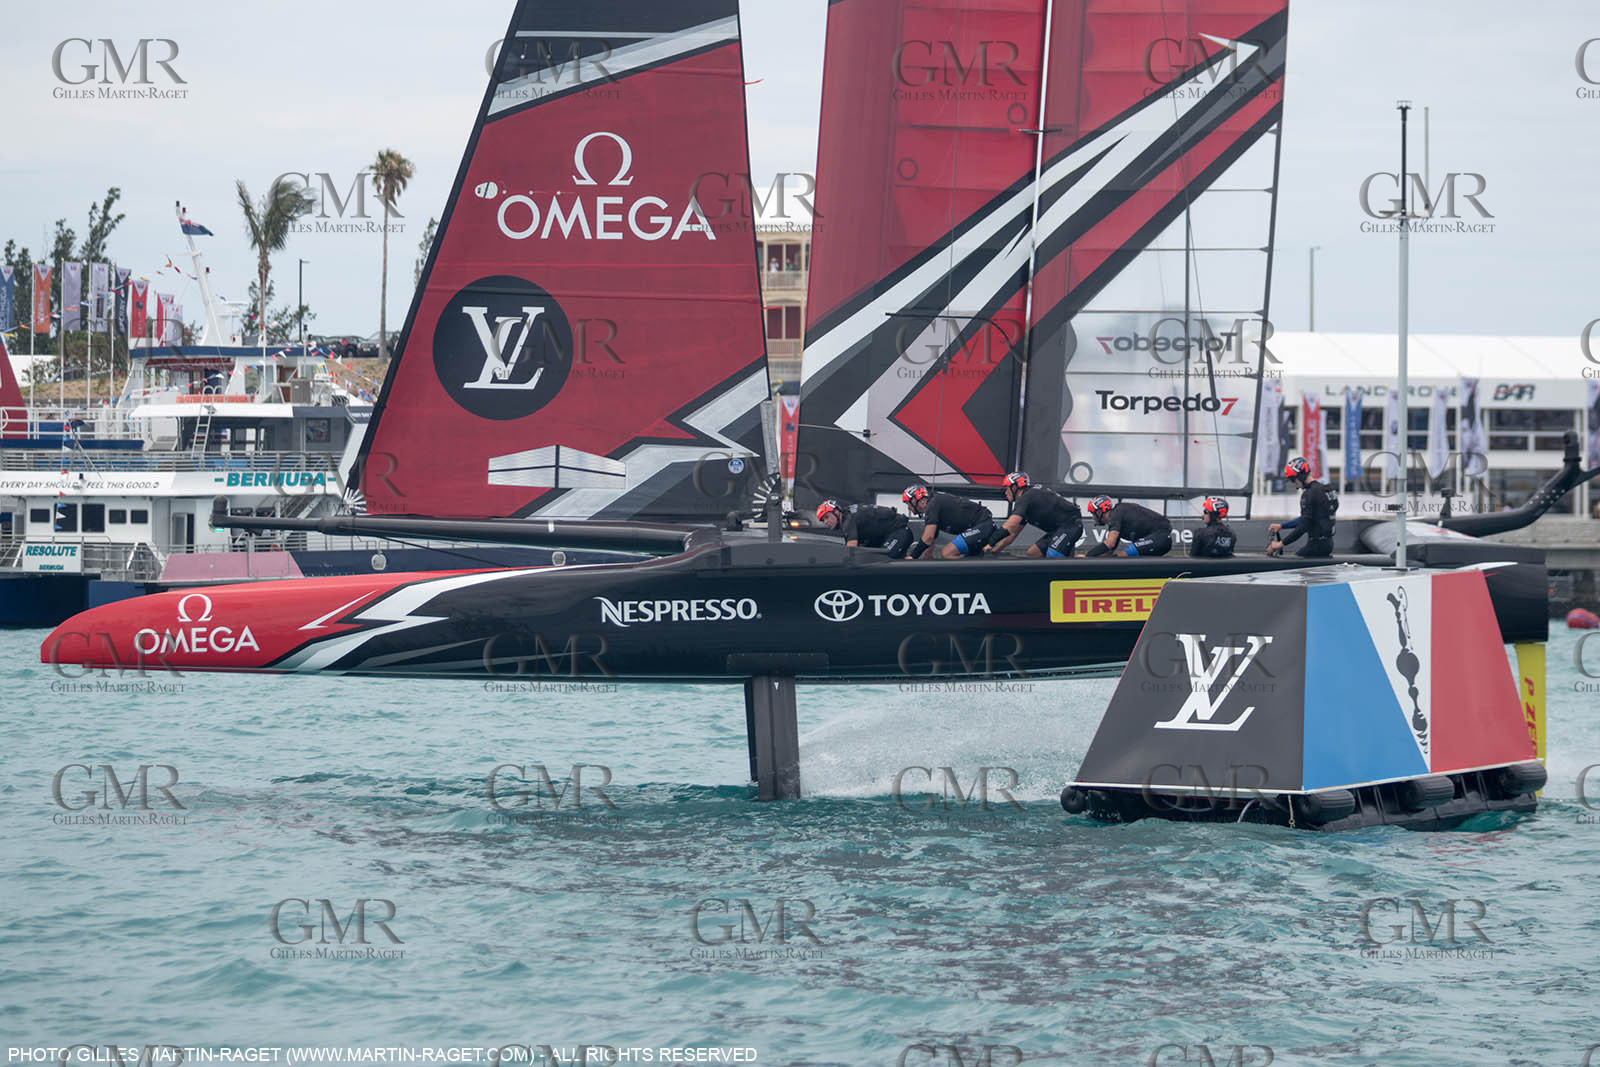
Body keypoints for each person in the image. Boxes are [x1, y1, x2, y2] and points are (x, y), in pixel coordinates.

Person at [988, 472, 1082, 558]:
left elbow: (1011, 525)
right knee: (1033, 553)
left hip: (1071, 525)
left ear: (1014, 487)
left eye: (1007, 488)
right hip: (1059, 529)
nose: (1005, 492)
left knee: (1053, 555)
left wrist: (990, 543)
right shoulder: (1027, 502)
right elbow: (1012, 535)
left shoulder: (1025, 498)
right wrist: (993, 551)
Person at [1268, 457, 1338, 557]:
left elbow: (1303, 526)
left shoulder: (1309, 494)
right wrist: (1282, 526)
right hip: (1328, 544)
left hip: (1316, 546)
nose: (1295, 484)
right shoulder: (1327, 489)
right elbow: (1309, 519)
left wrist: (1280, 544)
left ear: (1300, 477)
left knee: (1292, 566)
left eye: (1293, 480)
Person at [903, 483, 996, 559]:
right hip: (980, 526)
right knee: (950, 553)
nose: (908, 508)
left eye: (908, 503)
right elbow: (928, 547)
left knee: (947, 553)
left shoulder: (932, 506)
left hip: (983, 524)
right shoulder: (933, 506)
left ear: (917, 501)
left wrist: (912, 556)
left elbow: (928, 537)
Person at [816, 499, 914, 558]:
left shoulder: (848, 520)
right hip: (890, 535)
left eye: (826, 517)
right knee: (870, 555)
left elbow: (851, 549)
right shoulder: (848, 515)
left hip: (900, 532)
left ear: (836, 512)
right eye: (822, 520)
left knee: (881, 559)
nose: (825, 522)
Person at [1084, 495, 1172, 557]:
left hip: (1160, 536)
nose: (1093, 518)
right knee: (1117, 556)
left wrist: (1087, 556)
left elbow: (1110, 543)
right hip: (1160, 539)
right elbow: (1108, 552)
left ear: (1099, 512)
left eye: (1093, 514)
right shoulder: (1117, 518)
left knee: (1123, 555)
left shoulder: (1115, 514)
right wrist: (1095, 557)